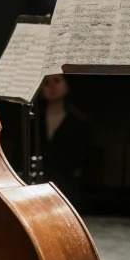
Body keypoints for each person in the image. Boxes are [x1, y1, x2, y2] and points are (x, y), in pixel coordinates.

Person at [39, 74, 91, 210]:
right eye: (46, 83)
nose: (52, 86)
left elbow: (83, 158)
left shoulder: (80, 121)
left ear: (67, 85)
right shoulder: (31, 119)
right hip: (37, 183)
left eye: (57, 80)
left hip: (66, 186)